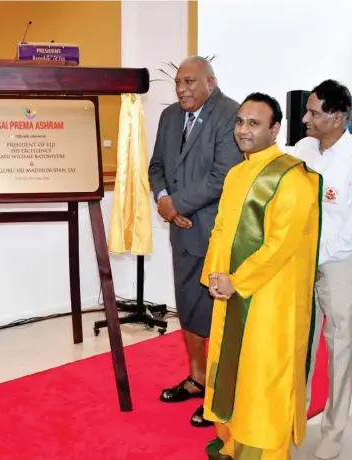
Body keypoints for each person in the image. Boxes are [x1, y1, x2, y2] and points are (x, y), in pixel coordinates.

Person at [201, 93, 322, 459]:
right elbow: (221, 228)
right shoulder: (238, 173)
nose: (243, 130)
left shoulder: (294, 178)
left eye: (254, 123)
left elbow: (280, 245)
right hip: (233, 291)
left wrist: (237, 281)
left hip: (272, 298)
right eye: (240, 122)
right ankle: (232, 439)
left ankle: (265, 452)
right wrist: (214, 276)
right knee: (232, 367)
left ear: (275, 129)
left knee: (265, 374)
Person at [148, 55, 243, 427]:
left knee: (219, 315)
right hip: (182, 231)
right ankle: (197, 378)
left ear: (211, 82)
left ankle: (221, 395)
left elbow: (223, 176)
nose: (183, 89)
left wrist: (176, 204)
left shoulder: (230, 114)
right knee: (188, 308)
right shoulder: (170, 116)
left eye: (191, 82)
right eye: (178, 83)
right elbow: (157, 166)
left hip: (219, 234)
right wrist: (163, 202)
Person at [293, 79, 352, 460]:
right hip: (304, 265)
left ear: (338, 118)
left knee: (340, 348)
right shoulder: (304, 149)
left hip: (340, 264)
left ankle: (335, 430)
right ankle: (298, 416)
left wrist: (322, 257)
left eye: (315, 112)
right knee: (301, 346)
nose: (306, 118)